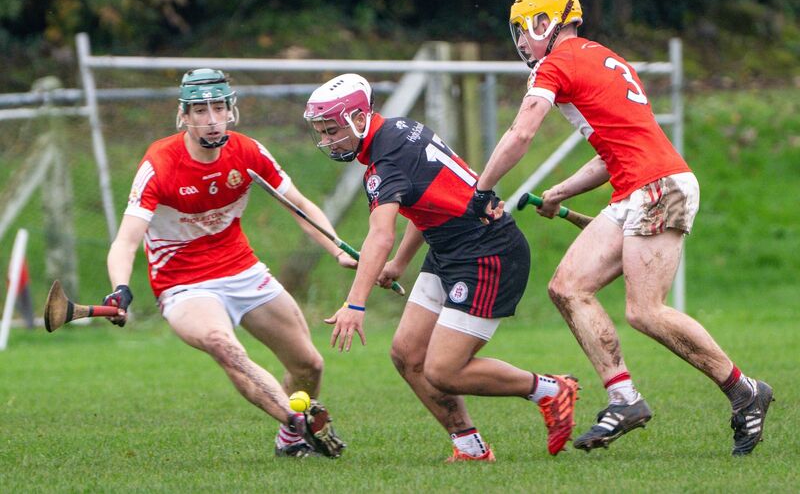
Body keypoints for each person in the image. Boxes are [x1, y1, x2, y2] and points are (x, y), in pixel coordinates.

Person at [474, 0, 773, 456]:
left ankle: (744, 390)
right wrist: (560, 192)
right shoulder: (599, 57)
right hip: (636, 186)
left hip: (658, 187)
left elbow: (521, 132)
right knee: (567, 288)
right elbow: (610, 153)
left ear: (544, 22)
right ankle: (625, 398)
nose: (522, 43)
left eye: (523, 31)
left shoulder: (557, 64)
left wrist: (482, 187)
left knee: (644, 311)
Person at [303, 73, 579, 462]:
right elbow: (426, 202)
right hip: (449, 245)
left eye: (332, 130)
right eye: (322, 132)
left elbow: (379, 236)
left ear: (360, 119)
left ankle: (549, 390)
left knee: (444, 370)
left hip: (487, 252)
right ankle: (469, 446)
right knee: (406, 353)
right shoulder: (400, 129)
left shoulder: (384, 163)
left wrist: (355, 303)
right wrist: (399, 263)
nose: (328, 140)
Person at [103, 68, 354, 459]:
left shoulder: (248, 153)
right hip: (183, 285)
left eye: (218, 107)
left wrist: (336, 248)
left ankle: (289, 441)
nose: (211, 118)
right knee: (226, 347)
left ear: (231, 110)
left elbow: (300, 206)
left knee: (309, 365)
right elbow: (125, 241)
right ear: (184, 116)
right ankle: (297, 423)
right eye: (200, 111)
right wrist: (120, 287)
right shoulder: (160, 163)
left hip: (243, 270)